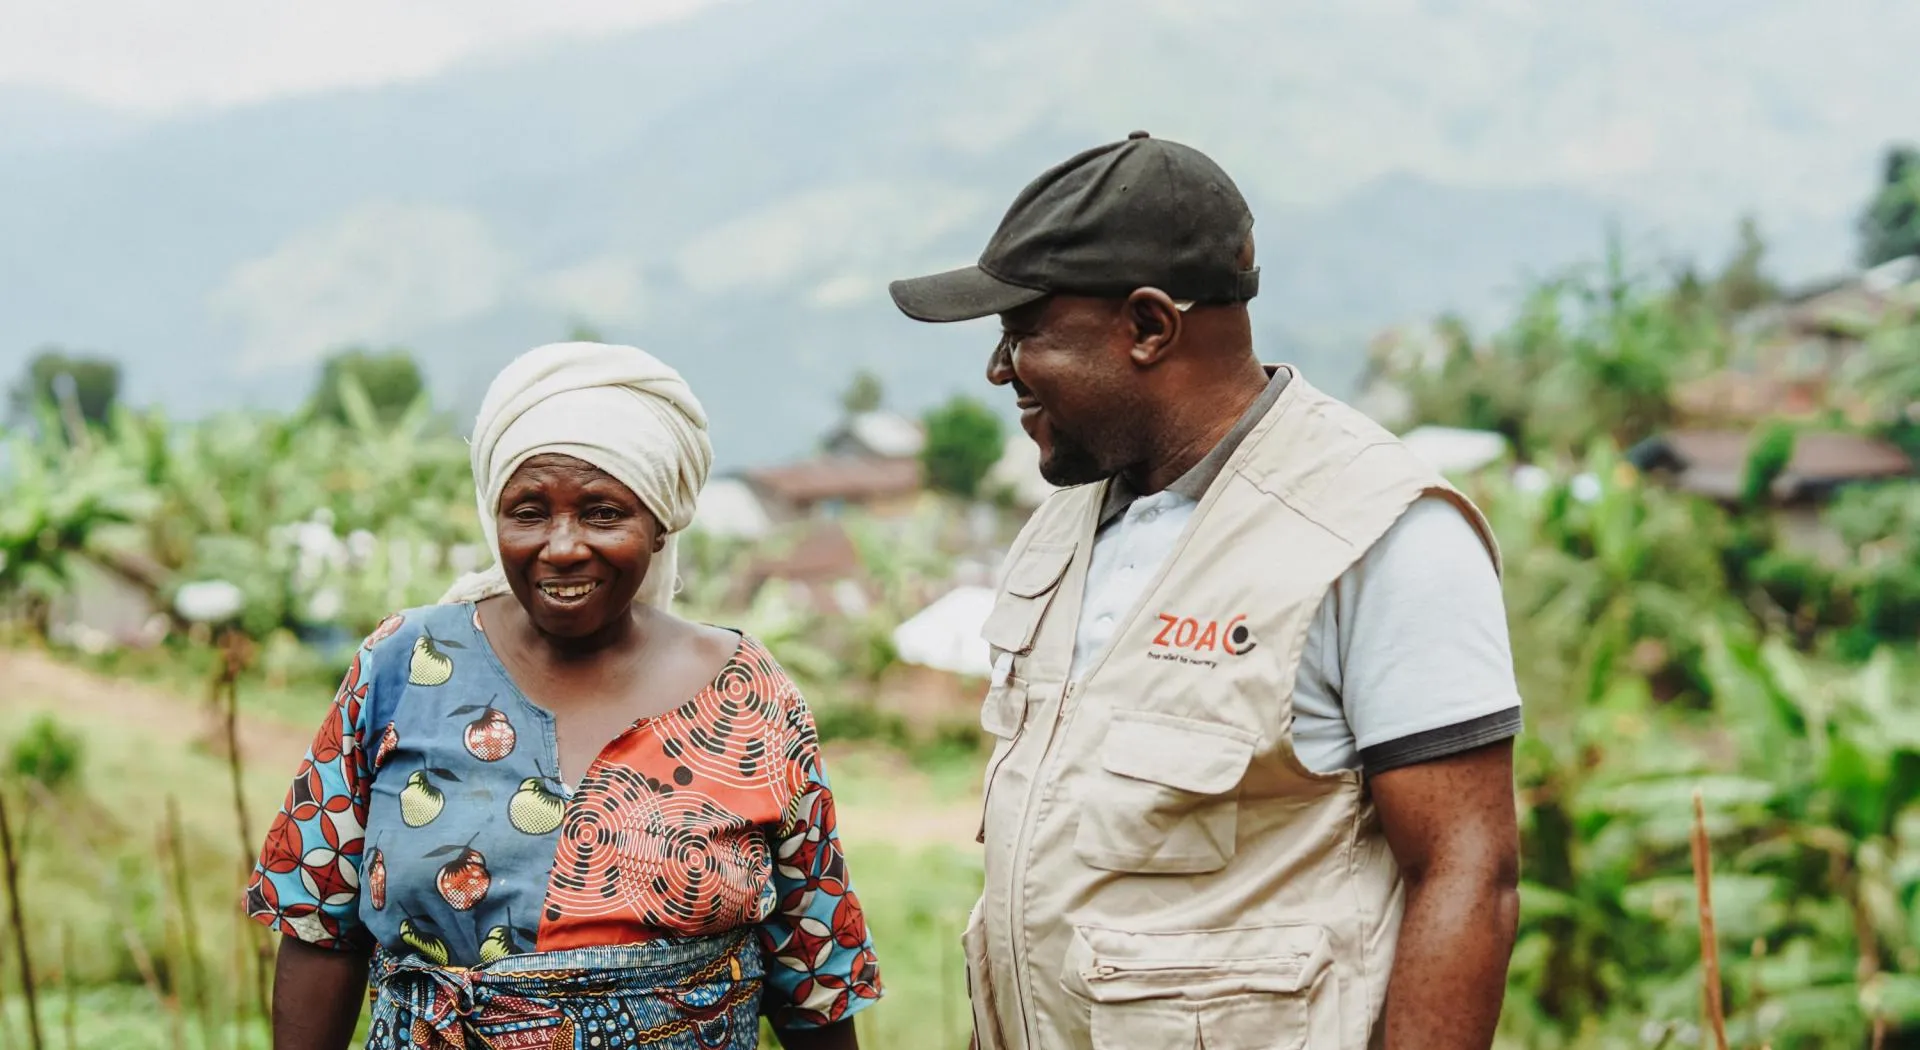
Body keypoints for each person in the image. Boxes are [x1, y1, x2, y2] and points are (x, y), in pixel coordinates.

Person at [888, 133, 1521, 1050]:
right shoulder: (1066, 519)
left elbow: (1470, 871)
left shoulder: (1378, 530)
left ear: (1150, 327)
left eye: (1023, 333)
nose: (998, 370)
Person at [245, 342, 882, 1050]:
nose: (562, 546)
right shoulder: (404, 666)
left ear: (661, 521)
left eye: (603, 513)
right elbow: (319, 929)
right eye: (528, 511)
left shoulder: (746, 692)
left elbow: (812, 973)